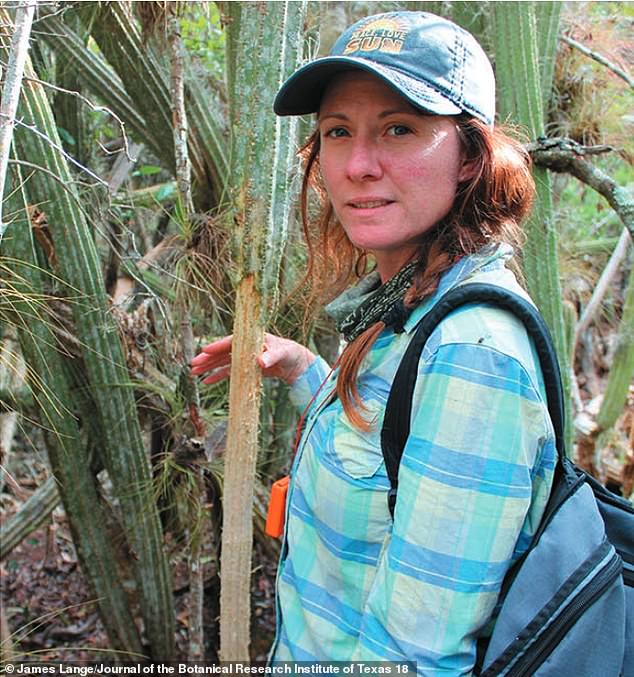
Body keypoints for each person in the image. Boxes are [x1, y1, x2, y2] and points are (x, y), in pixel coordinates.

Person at [191, 11, 556, 675]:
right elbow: (391, 446)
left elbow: (414, 659)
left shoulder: (474, 356)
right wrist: (305, 369)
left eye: (398, 128)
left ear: (470, 156)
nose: (357, 164)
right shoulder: (411, 297)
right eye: (338, 131)